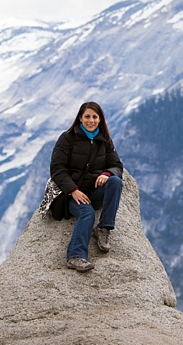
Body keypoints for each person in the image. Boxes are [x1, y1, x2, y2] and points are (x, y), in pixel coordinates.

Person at [50, 101, 123, 272]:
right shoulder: (67, 138)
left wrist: (107, 174)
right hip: (70, 195)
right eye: (87, 116)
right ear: (80, 119)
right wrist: (73, 190)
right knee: (87, 212)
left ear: (100, 119)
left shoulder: (105, 141)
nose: (91, 120)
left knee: (115, 181)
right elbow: (57, 169)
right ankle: (75, 256)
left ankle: (104, 228)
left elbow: (117, 166)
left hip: (94, 192)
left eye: (95, 117)